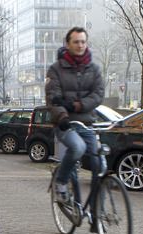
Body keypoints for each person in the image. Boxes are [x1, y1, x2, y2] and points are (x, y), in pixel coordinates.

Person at [46, 27, 104, 206]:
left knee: (99, 167)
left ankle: (97, 214)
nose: (80, 45)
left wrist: (78, 105)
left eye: (83, 42)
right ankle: (61, 182)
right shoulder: (55, 69)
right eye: (76, 42)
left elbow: (98, 94)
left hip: (87, 123)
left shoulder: (94, 69)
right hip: (66, 124)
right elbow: (52, 97)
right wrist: (62, 116)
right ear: (68, 44)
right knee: (77, 148)